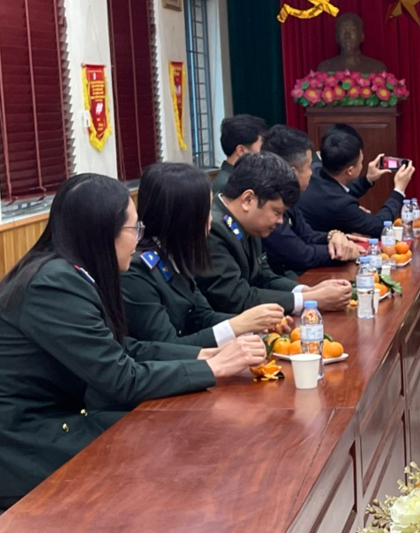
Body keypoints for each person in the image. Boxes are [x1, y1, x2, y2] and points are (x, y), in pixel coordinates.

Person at [0, 174, 267, 511]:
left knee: (173, 434)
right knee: (163, 453)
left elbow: (124, 347)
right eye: (134, 230)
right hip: (27, 441)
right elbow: (121, 379)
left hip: (57, 419)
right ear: (103, 232)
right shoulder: (54, 285)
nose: (138, 239)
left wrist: (203, 354)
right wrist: (212, 368)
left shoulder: (71, 273)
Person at [123, 163, 289, 347]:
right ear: (184, 217)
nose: (211, 219)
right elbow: (168, 347)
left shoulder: (174, 254)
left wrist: (254, 324)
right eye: (206, 211)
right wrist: (237, 325)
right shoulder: (138, 270)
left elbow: (202, 316)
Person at [196, 152, 352, 315]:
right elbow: (235, 299)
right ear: (248, 200)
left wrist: (307, 291)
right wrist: (309, 300)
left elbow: (263, 276)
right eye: (277, 212)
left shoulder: (248, 223)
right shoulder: (212, 229)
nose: (280, 221)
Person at [260, 125, 362, 278]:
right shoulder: (266, 205)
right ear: (292, 172)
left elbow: (308, 236)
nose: (311, 173)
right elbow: (301, 255)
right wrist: (343, 252)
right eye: (308, 167)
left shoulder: (289, 197)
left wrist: (334, 236)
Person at [297, 124, 415, 238]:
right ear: (350, 170)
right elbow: (378, 226)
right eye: (361, 162)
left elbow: (336, 192)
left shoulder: (314, 169)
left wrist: (368, 179)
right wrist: (399, 190)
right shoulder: (341, 205)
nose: (362, 165)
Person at [211, 114, 266, 196]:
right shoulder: (225, 185)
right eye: (260, 149)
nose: (262, 154)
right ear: (241, 150)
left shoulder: (243, 177)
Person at [317, 11, 387, 74]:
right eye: (342, 31)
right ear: (337, 37)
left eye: (352, 30)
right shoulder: (325, 68)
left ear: (362, 36)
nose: (347, 36)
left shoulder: (377, 69)